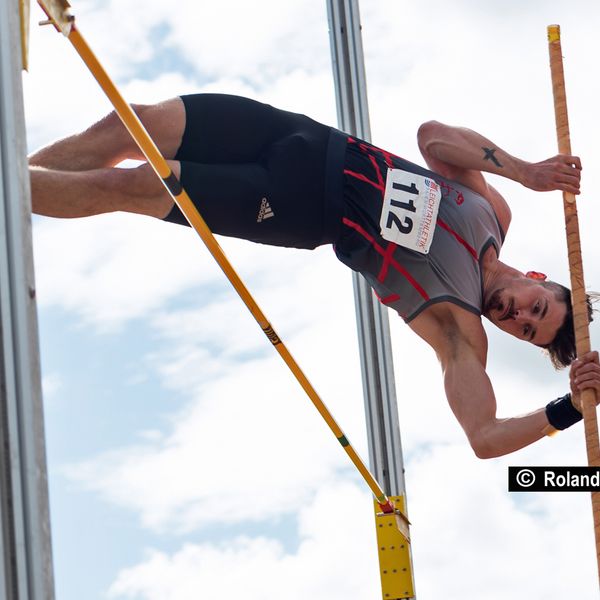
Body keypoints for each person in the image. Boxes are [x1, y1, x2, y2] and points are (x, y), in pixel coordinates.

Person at [29, 93, 600, 458]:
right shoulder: (493, 214)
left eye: (525, 331)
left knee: (137, 187)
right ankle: (19, 172)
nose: (518, 316)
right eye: (537, 308)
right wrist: (523, 171)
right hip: (303, 137)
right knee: (132, 124)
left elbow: (484, 437)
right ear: (537, 276)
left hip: (299, 205)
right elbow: (433, 137)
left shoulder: (460, 330)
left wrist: (568, 410)